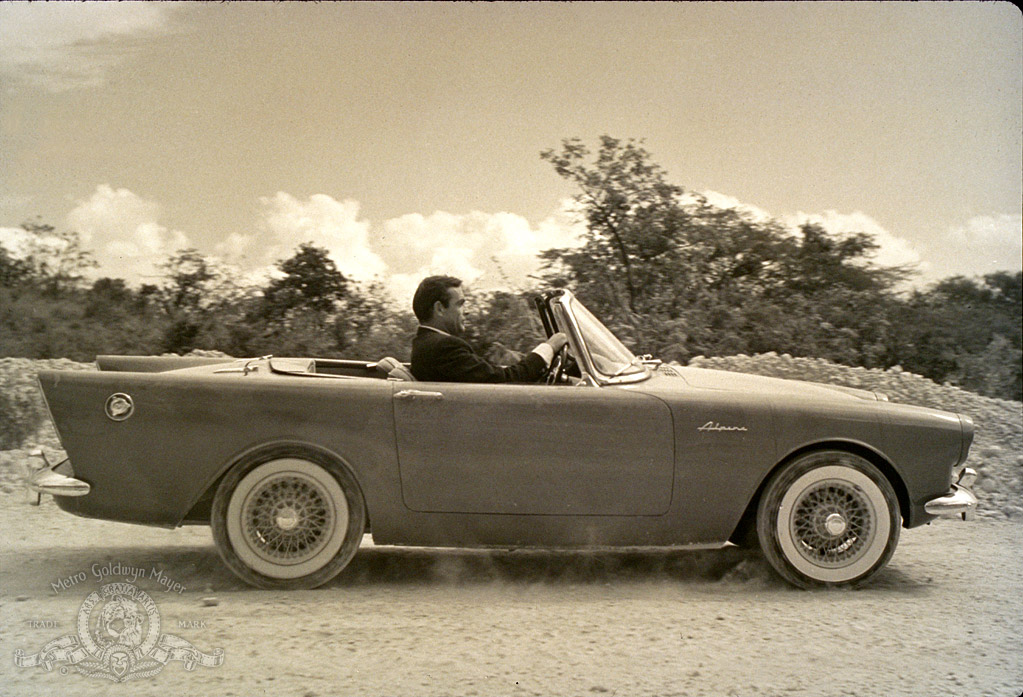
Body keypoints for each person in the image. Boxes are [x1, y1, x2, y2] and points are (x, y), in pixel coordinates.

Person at [410, 275, 569, 383]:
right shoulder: (444, 347)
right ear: (439, 309)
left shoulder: (425, 343)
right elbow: (505, 380)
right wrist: (549, 347)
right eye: (460, 304)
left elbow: (491, 373)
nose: (466, 311)